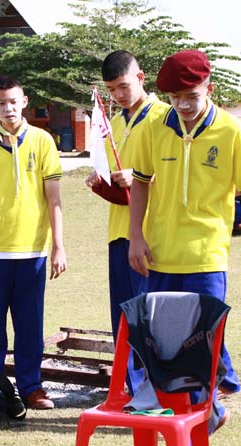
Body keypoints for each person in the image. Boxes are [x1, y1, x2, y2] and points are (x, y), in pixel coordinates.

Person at [127, 50, 241, 425]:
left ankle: (196, 435)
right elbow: (141, 183)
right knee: (165, 351)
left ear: (209, 89)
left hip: (207, 258)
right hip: (160, 256)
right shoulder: (153, 126)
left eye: (191, 96)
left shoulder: (231, 130)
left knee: (201, 349)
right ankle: (201, 417)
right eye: (175, 97)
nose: (183, 105)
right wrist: (135, 236)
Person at [0, 75, 66, 410]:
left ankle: (31, 387)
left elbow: (54, 198)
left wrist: (58, 245)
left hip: (32, 250)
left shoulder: (43, 141)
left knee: (29, 325)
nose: (8, 108)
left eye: (13, 101)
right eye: (1, 103)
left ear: (25, 102)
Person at [84, 50, 170, 364]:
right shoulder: (115, 122)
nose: (118, 95)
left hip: (151, 233)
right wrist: (100, 179)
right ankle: (129, 385)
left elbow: (174, 172)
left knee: (149, 319)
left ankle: (154, 384)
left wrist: (139, 177)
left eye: (123, 86)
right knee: (122, 319)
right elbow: (114, 176)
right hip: (118, 231)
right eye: (111, 90)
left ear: (140, 77)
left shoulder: (165, 117)